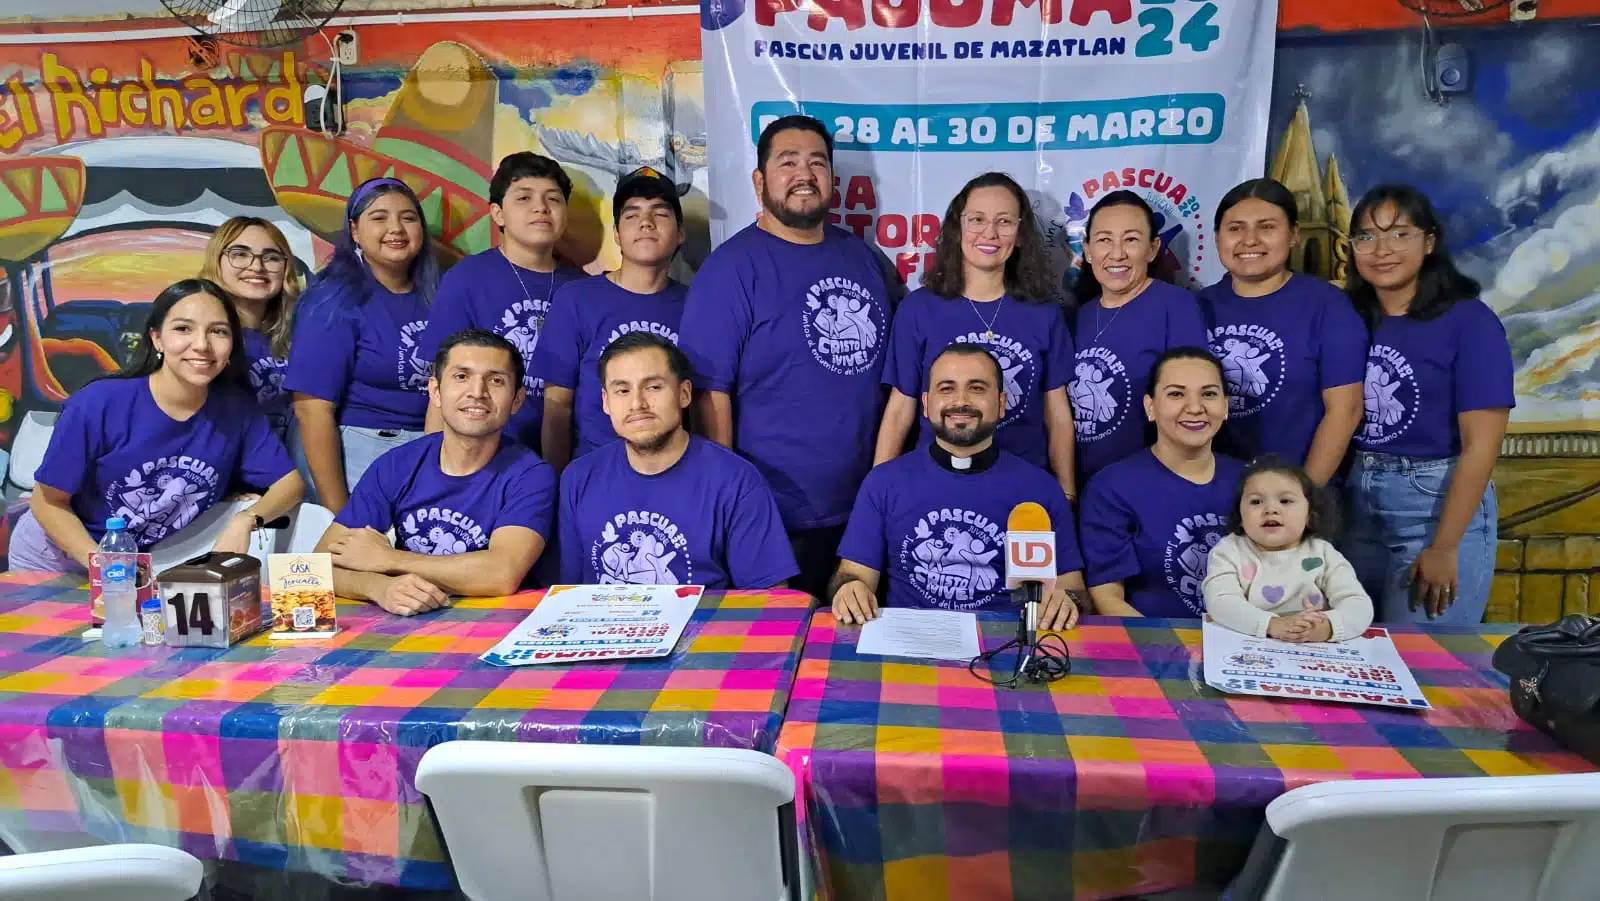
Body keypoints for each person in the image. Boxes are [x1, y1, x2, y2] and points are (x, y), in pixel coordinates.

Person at [678, 115, 893, 600]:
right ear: (759, 181)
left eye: (817, 162)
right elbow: (711, 395)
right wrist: (730, 508)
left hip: (861, 515)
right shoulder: (730, 271)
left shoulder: (862, 259)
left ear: (832, 180)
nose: (805, 173)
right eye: (788, 162)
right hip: (773, 521)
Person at [10, 279, 303, 572]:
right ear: (157, 339)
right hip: (52, 558)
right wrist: (107, 566)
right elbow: (47, 502)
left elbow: (290, 484)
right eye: (183, 329)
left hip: (135, 564)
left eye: (218, 331)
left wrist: (246, 520)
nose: (201, 345)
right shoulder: (99, 403)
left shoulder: (237, 409)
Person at [1339, 185, 1512, 625]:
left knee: (1424, 663)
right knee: (1352, 655)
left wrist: (1445, 545)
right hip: (1356, 506)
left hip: (1433, 504)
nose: (1382, 250)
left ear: (1429, 241)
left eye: (1399, 234)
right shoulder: (1350, 316)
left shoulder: (1469, 322)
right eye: (1366, 237)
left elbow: (1481, 447)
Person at [831, 344, 1085, 628]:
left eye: (977, 388)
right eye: (946, 388)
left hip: (1009, 645)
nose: (960, 401)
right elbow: (854, 575)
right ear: (926, 404)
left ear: (1001, 403)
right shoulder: (883, 483)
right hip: (907, 643)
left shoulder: (1040, 489)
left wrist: (1067, 600)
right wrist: (850, 589)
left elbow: (1072, 589)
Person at [316, 329, 557, 615]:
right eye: (461, 376)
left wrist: (389, 559)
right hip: (407, 620)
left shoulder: (531, 475)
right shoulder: (397, 465)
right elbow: (319, 564)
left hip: (497, 621)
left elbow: (500, 574)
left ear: (517, 400)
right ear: (435, 391)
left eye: (495, 380)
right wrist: (376, 587)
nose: (477, 392)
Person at [876, 172, 1076, 499]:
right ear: (958, 228)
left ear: (1021, 233)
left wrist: (1067, 493)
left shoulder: (1045, 315)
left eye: (1005, 221)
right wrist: (877, 495)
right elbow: (900, 410)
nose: (990, 233)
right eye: (977, 220)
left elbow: (1057, 414)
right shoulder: (919, 309)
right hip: (934, 486)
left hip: (1023, 491)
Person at [558, 332, 798, 589]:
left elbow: (769, 602)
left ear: (684, 393)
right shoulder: (579, 478)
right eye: (623, 390)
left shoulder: (736, 481)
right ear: (606, 402)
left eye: (653, 387)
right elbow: (569, 591)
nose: (637, 403)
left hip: (704, 628)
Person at [286, 176, 439, 513]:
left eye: (408, 217)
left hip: (433, 450)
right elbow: (312, 411)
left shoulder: (438, 295)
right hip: (364, 452)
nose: (396, 228)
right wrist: (339, 514)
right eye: (379, 217)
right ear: (355, 231)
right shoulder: (332, 301)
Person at [1199, 179, 1365, 483]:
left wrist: (1300, 497)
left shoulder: (1326, 305)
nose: (1250, 240)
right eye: (1235, 228)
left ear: (1294, 235)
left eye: (1266, 227)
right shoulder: (1195, 307)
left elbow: (1346, 411)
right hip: (1213, 493)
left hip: (1303, 492)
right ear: (1216, 237)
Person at [419, 153, 584, 449]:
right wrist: (432, 469)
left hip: (566, 452)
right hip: (487, 453)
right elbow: (443, 385)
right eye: (524, 198)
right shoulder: (468, 278)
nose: (540, 208)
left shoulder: (583, 288)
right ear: (498, 214)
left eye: (553, 199)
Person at [537, 167, 688, 471]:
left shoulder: (697, 305)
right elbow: (557, 405)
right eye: (632, 215)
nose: (646, 223)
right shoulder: (577, 299)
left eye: (660, 213)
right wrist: (556, 485)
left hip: (677, 474)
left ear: (680, 233)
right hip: (595, 473)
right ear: (617, 234)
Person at [1080, 347, 1245, 618]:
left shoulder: (1253, 482)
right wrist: (1169, 652)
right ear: (1150, 407)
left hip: (1242, 648)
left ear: (1225, 406)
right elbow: (1107, 597)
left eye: (1209, 394)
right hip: (1154, 650)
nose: (1195, 407)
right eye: (1176, 394)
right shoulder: (1112, 488)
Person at [1069, 190, 1207, 482]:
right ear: (1088, 250)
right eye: (1105, 239)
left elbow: (1192, 406)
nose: (1117, 253)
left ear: (1153, 248)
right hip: (1084, 485)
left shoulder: (1175, 306)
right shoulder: (1078, 315)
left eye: (1131, 239)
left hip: (1150, 484)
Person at [1202, 457, 1374, 642]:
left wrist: (1328, 627)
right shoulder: (1229, 551)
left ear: (1310, 515)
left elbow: (1359, 605)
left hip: (1311, 650)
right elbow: (1220, 602)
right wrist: (1273, 625)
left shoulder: (1323, 553)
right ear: (1240, 516)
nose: (1271, 509)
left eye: (1285, 501)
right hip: (1249, 645)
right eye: (1256, 502)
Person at [197, 216, 303, 441]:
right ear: (217, 261)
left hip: (284, 467)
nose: (257, 266)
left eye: (271, 257)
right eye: (240, 254)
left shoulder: (299, 334)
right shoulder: (199, 341)